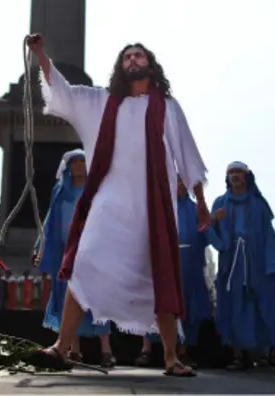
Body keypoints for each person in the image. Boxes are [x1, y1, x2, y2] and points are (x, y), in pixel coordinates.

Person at [27, 35, 209, 378]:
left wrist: (200, 201)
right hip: (108, 201)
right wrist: (41, 56)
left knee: (159, 274)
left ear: (150, 64)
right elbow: (65, 93)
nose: (133, 59)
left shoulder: (167, 107)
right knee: (85, 260)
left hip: (150, 206)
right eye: (127, 56)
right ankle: (60, 347)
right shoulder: (101, 103)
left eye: (139, 55)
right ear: (120, 67)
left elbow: (187, 153)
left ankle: (171, 358)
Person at [35, 149, 116, 366]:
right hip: (66, 253)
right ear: (68, 166)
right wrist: (40, 245)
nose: (79, 165)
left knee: (97, 299)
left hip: (92, 251)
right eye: (74, 162)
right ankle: (73, 349)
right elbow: (50, 221)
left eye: (83, 161)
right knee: (67, 299)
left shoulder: (95, 190)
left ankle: (106, 351)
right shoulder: (59, 191)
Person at [210, 162, 275, 371]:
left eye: (238, 172)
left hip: (257, 261)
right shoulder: (220, 203)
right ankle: (238, 353)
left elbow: (268, 234)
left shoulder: (258, 204)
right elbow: (207, 230)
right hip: (232, 263)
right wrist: (214, 222)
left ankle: (266, 351)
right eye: (231, 172)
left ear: (247, 176)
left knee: (263, 303)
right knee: (233, 305)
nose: (235, 176)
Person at [136, 175, 215, 368]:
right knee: (156, 304)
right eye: (176, 181)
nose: (179, 185)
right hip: (165, 263)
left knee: (188, 307)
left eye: (182, 181)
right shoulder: (162, 207)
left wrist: (216, 225)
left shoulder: (197, 209)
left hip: (190, 265)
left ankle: (182, 351)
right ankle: (147, 349)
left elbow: (208, 233)